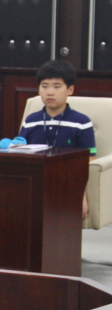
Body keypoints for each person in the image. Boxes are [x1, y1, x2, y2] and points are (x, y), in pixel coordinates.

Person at [18, 60, 94, 219]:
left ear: (70, 90)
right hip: (34, 181)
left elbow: (88, 160)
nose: (49, 92)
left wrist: (82, 196)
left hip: (67, 183)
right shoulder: (31, 120)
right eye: (44, 86)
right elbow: (19, 150)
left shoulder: (81, 122)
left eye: (56, 86)